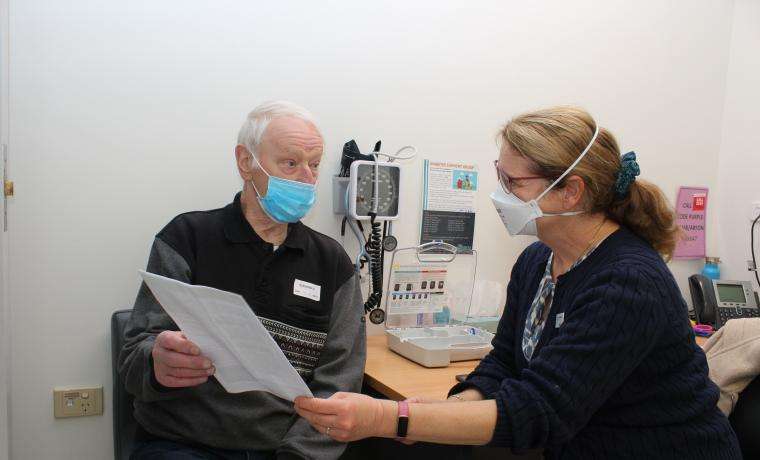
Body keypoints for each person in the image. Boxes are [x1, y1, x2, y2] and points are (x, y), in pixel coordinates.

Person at [294, 107, 741, 459]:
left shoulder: (627, 282)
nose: (500, 194)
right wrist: (439, 414)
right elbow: (504, 364)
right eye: (500, 175)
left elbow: (541, 411)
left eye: (514, 182)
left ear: (571, 192)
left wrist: (392, 418)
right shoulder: (537, 262)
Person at [119, 101, 366, 460]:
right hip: (182, 443)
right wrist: (157, 363)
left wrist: (297, 455)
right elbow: (132, 360)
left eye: (314, 164)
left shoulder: (334, 264)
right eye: (291, 163)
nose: (307, 178)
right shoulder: (187, 238)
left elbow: (339, 385)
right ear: (246, 161)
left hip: (283, 448)